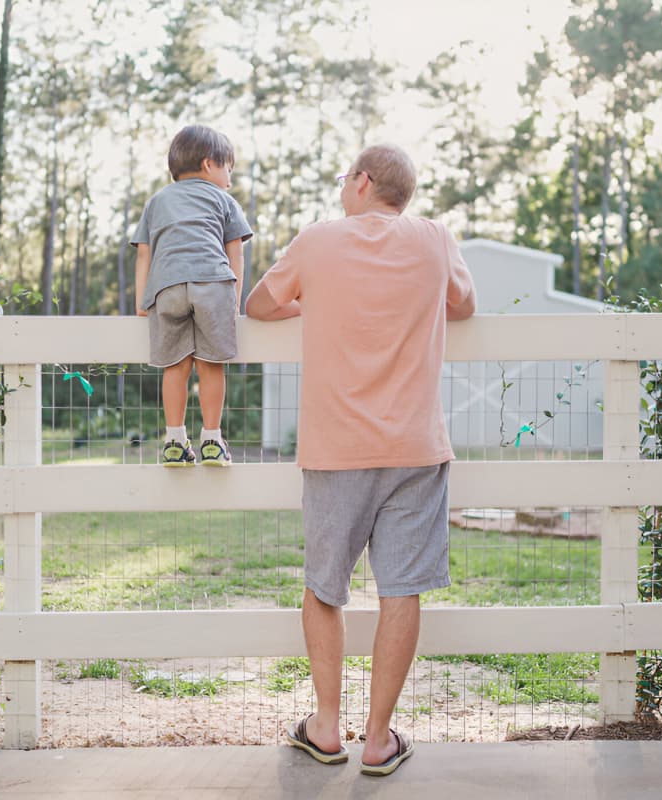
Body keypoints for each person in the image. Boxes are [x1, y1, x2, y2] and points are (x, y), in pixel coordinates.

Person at [246, 144, 476, 776]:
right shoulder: (434, 239)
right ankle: (377, 740)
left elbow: (258, 306)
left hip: (336, 448)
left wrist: (313, 302)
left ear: (365, 182)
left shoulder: (318, 242)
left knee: (325, 589)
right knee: (401, 590)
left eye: (345, 178)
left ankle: (325, 727)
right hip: (413, 448)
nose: (342, 187)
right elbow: (464, 306)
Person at [133, 125, 253, 467]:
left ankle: (174, 441)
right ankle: (212, 441)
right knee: (211, 365)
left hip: (165, 285)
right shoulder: (224, 200)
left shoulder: (157, 201)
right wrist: (234, 300)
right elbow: (236, 252)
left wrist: (143, 301)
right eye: (228, 167)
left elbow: (144, 252)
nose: (229, 177)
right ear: (208, 164)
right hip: (212, 282)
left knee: (175, 366)